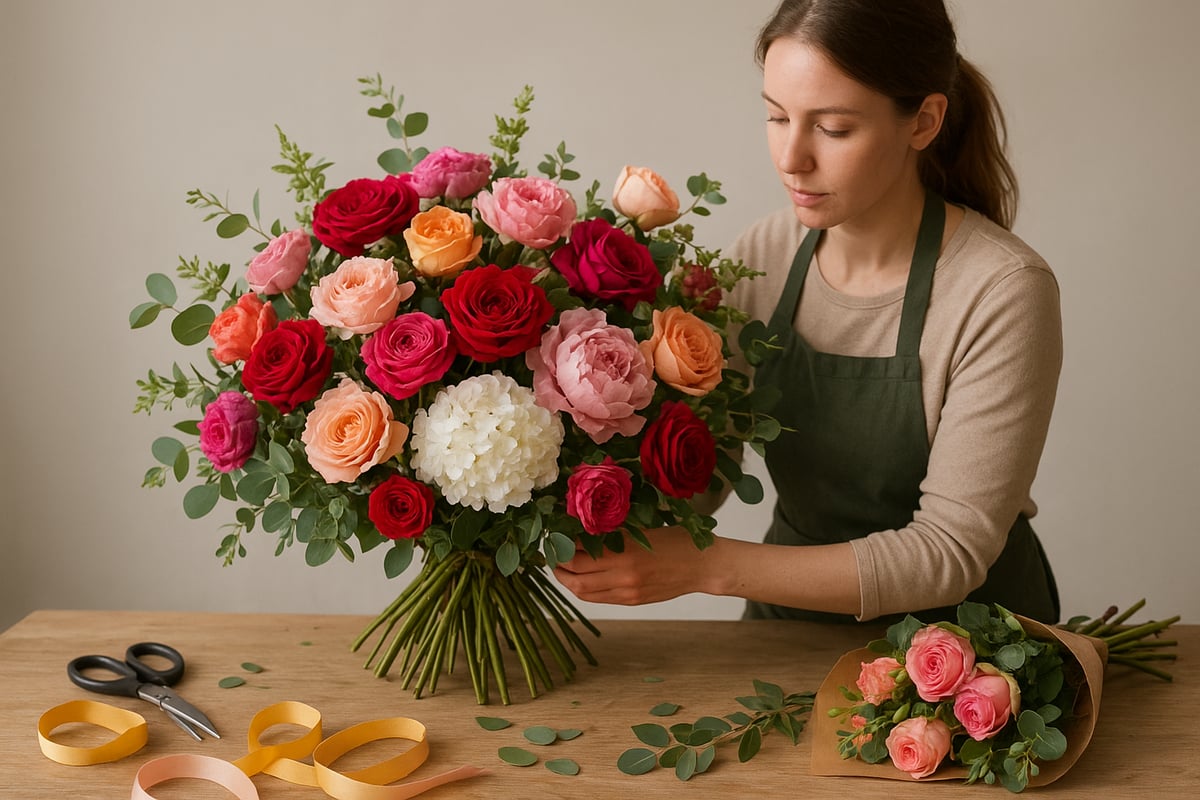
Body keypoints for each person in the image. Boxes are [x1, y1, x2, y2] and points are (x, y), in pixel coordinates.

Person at [554, 0, 1062, 624]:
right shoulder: (763, 255)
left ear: (924, 121)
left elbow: (947, 554)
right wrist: (562, 457)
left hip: (971, 664)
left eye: (834, 128)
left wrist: (700, 565)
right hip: (786, 635)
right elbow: (706, 472)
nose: (792, 157)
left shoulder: (1002, 289)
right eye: (776, 116)